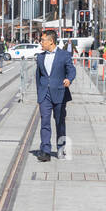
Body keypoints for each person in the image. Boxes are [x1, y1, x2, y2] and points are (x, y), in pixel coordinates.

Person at [34, 29, 75, 162]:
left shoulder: (64, 55)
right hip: (45, 94)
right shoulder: (40, 57)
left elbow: (71, 70)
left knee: (60, 122)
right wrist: (39, 93)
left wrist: (69, 79)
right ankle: (45, 150)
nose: (41, 42)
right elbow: (38, 76)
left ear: (51, 41)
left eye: (43, 40)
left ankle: (61, 148)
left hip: (60, 93)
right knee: (45, 122)